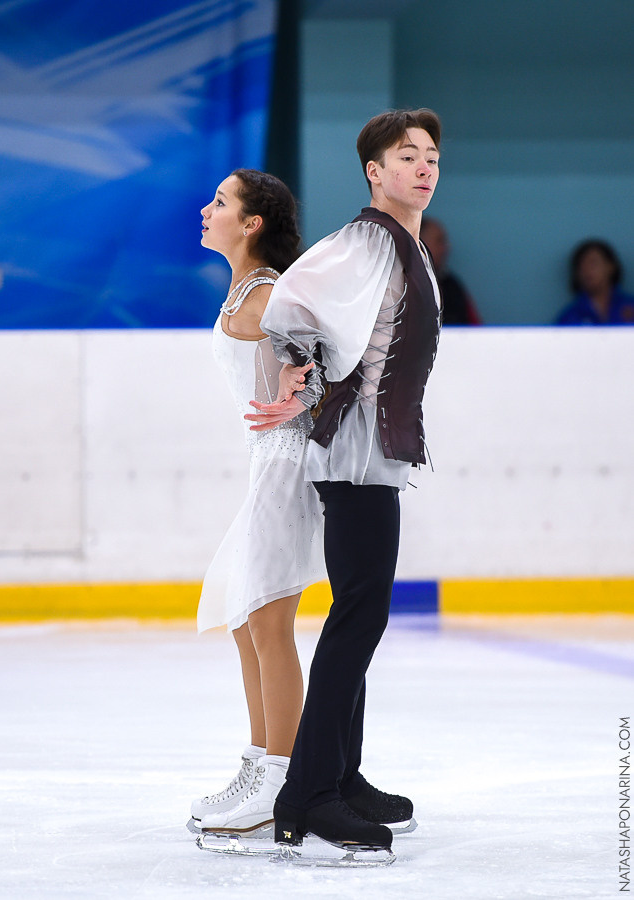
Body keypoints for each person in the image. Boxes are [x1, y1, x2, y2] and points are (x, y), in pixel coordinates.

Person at [246, 109, 443, 860]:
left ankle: (340, 776)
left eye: (431, 157)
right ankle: (307, 796)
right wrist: (298, 370)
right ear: (374, 171)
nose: (423, 168)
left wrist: (308, 369)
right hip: (354, 451)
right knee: (359, 616)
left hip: (370, 451)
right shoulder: (367, 240)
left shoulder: (402, 242)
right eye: (406, 156)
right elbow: (287, 304)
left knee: (357, 615)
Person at [191, 169, 326, 838]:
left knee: (269, 627)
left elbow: (330, 366)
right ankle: (257, 763)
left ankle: (280, 782)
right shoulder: (247, 291)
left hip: (287, 467)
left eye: (221, 202)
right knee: (246, 621)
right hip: (266, 465)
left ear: (252, 224)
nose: (206, 209)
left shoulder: (269, 295)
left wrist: (306, 393)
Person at [555, 239, 634, 325]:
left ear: (611, 267)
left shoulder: (630, 305)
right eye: (581, 266)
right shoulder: (570, 316)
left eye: (593, 263)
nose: (587, 270)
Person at [420, 217, 482, 324]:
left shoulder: (451, 285)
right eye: (439, 241)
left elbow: (474, 326)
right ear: (420, 243)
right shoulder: (401, 283)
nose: (446, 247)